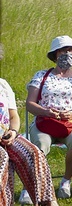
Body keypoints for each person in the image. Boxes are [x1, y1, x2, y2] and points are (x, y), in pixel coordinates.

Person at [25, 36, 72, 199]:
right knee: (40, 145)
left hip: (70, 121)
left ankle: (66, 181)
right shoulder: (42, 76)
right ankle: (32, 186)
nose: (69, 54)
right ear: (55, 54)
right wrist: (45, 111)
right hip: (45, 120)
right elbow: (30, 104)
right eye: (64, 51)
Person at [1, 77, 59, 206]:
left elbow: (13, 116)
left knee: (33, 153)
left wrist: (14, 132)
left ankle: (46, 201)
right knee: (2, 158)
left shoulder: (3, 84)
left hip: (7, 136)